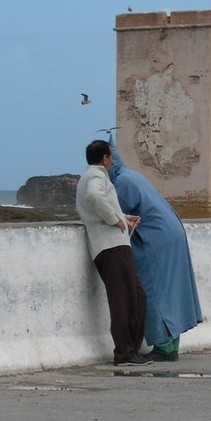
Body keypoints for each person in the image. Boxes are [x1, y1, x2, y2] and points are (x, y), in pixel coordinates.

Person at [108, 137, 202, 362]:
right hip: (171, 234)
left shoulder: (122, 184)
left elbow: (116, 216)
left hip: (156, 240)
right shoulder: (133, 176)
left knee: (154, 290)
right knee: (170, 291)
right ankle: (172, 344)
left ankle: (164, 347)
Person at [76, 140, 150, 365]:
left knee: (136, 296)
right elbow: (94, 197)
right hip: (111, 247)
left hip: (111, 246)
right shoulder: (97, 176)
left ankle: (130, 350)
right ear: (105, 158)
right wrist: (115, 220)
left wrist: (122, 217)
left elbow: (98, 203)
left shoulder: (91, 175)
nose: (112, 160)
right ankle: (125, 353)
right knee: (124, 299)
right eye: (111, 156)